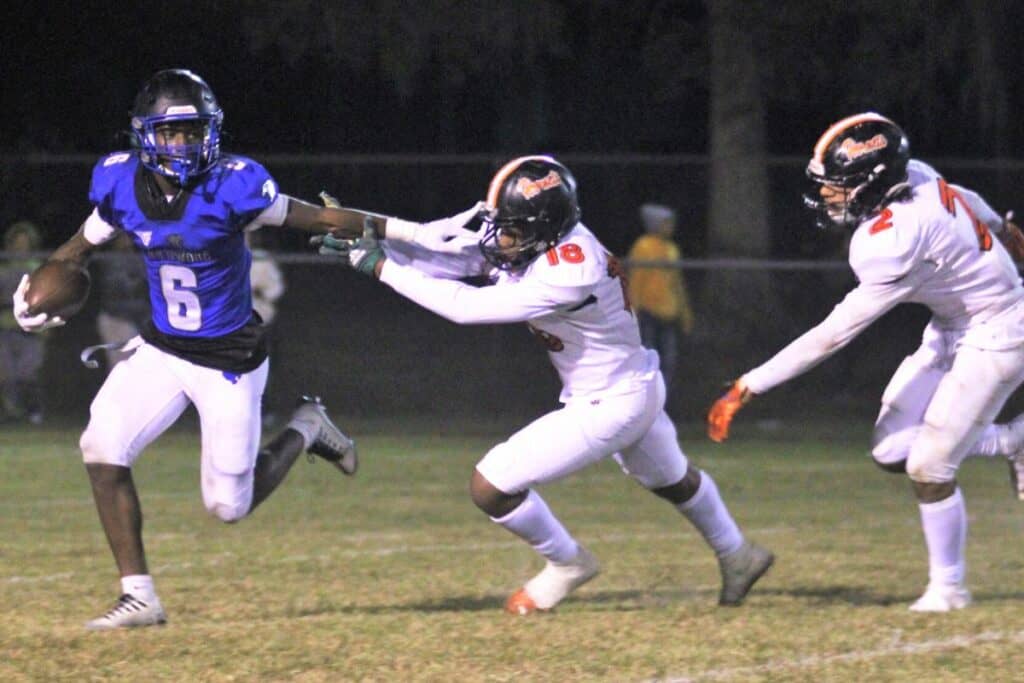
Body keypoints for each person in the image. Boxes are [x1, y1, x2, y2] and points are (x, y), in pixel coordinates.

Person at [315, 156, 774, 614]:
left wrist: (379, 265)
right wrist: (377, 245)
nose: (499, 237)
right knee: (673, 480)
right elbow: (458, 259)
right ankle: (739, 555)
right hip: (635, 384)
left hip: (612, 403)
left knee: (491, 485)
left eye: (509, 227)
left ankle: (569, 564)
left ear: (543, 226)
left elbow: (465, 307)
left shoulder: (571, 267)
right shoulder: (541, 241)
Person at [11, 69, 364, 630]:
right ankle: (139, 596)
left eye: (192, 132)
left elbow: (317, 217)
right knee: (101, 445)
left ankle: (305, 425)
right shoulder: (120, 182)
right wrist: (36, 290)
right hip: (164, 347)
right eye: (170, 134)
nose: (183, 145)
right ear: (145, 135)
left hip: (229, 356)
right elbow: (78, 247)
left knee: (229, 507)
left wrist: (406, 236)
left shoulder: (232, 184)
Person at [707, 112, 1024, 612]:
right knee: (891, 449)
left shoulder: (891, 239)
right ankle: (1013, 439)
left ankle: (949, 589)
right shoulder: (913, 173)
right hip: (951, 326)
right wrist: (1000, 227)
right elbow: (959, 192)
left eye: (838, 186)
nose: (829, 196)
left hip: (999, 331)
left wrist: (749, 385)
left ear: (872, 181)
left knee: (929, 464)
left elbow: (832, 336)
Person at [626, 203, 695, 394]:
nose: (670, 226)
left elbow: (677, 284)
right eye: (666, 223)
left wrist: (685, 313)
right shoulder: (643, 247)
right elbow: (636, 281)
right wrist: (633, 310)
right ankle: (646, 398)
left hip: (669, 314)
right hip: (648, 313)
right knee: (648, 360)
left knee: (669, 361)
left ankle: (662, 399)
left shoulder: (672, 249)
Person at [0, 221, 46, 423]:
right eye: (16, 243)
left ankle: (34, 412)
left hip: (30, 329)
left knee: (27, 373)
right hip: (5, 327)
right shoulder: (3, 270)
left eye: (24, 243)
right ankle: (11, 413)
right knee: (7, 374)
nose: (20, 247)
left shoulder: (37, 269)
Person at [92, 231, 149, 371]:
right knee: (122, 369)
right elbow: (116, 289)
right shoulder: (106, 259)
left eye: (129, 236)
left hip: (143, 321)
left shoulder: (143, 257)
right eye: (122, 237)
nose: (127, 240)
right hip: (116, 318)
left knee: (146, 370)